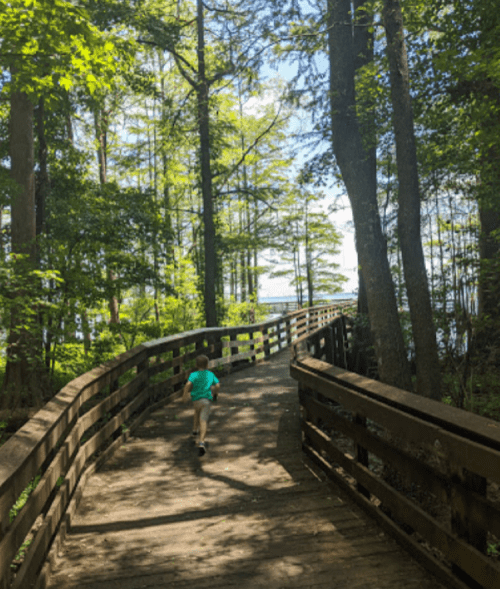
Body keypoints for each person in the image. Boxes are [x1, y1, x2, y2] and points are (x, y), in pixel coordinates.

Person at [182, 355, 220, 456]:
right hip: (206, 400)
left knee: (196, 412)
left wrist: (185, 394)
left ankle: (195, 430)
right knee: (203, 420)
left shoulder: (193, 374)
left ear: (196, 365)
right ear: (207, 365)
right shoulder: (210, 374)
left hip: (196, 400)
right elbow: (217, 385)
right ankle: (201, 441)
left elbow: (187, 385)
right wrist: (215, 394)